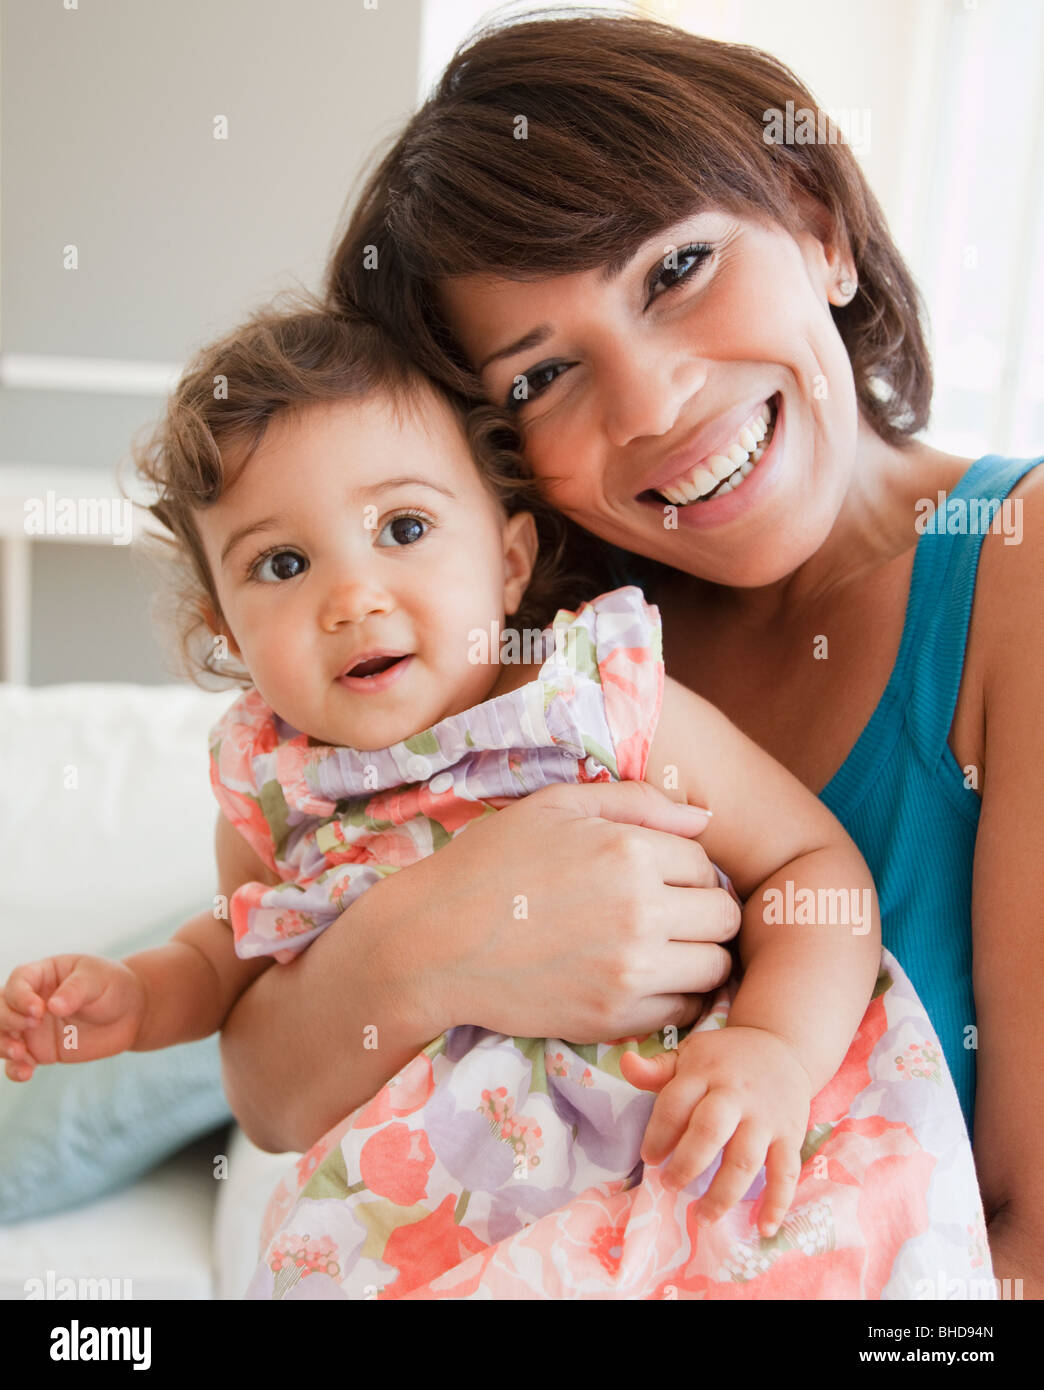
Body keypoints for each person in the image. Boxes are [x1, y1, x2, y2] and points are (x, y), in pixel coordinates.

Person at [219, 12, 1044, 1293]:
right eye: (542, 378)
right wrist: (444, 929)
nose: (654, 403)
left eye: (677, 269)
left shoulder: (1020, 563)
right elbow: (270, 1098)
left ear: (819, 225)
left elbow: (1028, 1235)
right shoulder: (547, 661)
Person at [0, 305, 987, 1300]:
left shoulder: (595, 695)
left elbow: (808, 868)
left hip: (672, 1141)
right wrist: (134, 997)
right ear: (227, 630)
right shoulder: (273, 789)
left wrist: (774, 1047)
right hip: (421, 1221)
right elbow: (231, 958)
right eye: (283, 564)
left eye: (405, 528)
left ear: (510, 560)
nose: (352, 596)